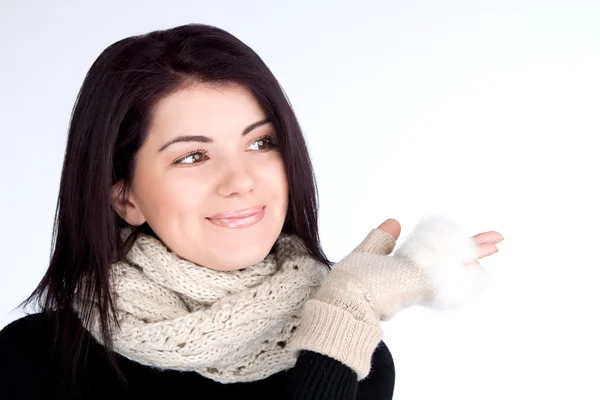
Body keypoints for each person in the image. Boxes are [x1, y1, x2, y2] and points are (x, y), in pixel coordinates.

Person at [0, 23, 502, 399]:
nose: (241, 181)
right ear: (124, 196)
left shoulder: (353, 355)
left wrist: (339, 321)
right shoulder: (30, 364)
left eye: (261, 143)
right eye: (192, 156)